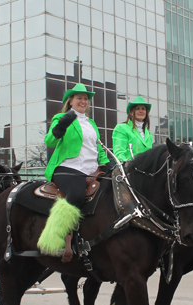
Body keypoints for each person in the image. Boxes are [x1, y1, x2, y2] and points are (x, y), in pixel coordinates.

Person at [37, 83, 110, 256]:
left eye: (85, 99)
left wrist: (107, 164)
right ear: (71, 101)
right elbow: (50, 142)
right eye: (79, 98)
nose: (83, 101)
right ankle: (54, 238)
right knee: (76, 195)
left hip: (92, 169)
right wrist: (61, 125)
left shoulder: (91, 123)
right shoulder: (61, 117)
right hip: (68, 167)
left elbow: (97, 148)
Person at [112, 96, 153, 161]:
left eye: (143, 109)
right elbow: (119, 153)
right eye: (137, 108)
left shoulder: (148, 134)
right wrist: (128, 165)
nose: (141, 111)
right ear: (131, 112)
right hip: (128, 169)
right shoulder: (121, 128)